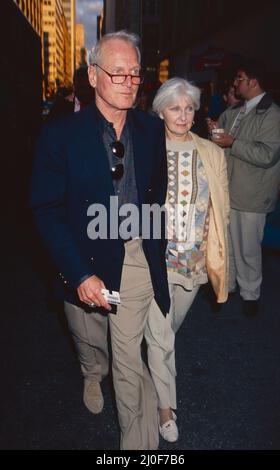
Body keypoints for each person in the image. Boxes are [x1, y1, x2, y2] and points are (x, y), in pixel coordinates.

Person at [30, 30, 170, 450]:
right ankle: (92, 371)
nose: (129, 82)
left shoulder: (150, 130)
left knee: (128, 357)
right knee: (91, 337)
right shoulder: (59, 136)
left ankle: (138, 449)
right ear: (93, 76)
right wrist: (79, 272)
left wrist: (157, 244)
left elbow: (155, 193)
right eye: (118, 73)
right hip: (83, 255)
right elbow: (46, 209)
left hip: (134, 254)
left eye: (135, 74)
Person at [145, 78, 230, 442]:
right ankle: (165, 408)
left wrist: (217, 249)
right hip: (156, 260)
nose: (183, 116)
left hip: (194, 261)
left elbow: (222, 208)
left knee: (168, 330)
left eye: (189, 108)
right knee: (162, 335)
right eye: (174, 108)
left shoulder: (212, 152)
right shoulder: (147, 149)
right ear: (161, 110)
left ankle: (152, 363)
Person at [207, 59, 280, 316]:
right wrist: (215, 132)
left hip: (253, 193)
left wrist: (231, 141)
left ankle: (251, 295)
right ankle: (228, 287)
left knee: (248, 248)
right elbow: (222, 140)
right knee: (226, 244)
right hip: (230, 189)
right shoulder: (236, 110)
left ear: (254, 82)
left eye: (240, 78)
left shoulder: (272, 115)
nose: (235, 83)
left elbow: (267, 154)